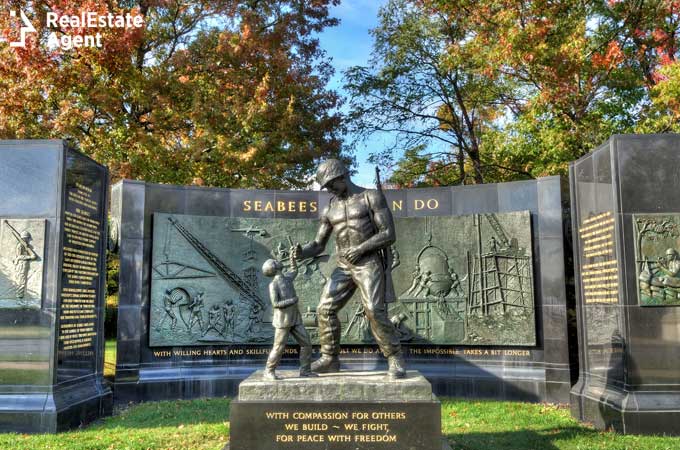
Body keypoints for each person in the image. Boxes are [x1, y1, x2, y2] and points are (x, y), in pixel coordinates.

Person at [293, 159, 406, 379]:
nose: (330, 189)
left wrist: (362, 248)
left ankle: (394, 357)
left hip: (368, 262)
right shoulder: (330, 208)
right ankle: (329, 359)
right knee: (324, 309)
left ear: (342, 176)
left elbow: (388, 234)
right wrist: (302, 252)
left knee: (373, 310)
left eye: (331, 184)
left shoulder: (370, 197)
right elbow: (318, 244)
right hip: (344, 265)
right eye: (326, 186)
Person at [262, 251, 314, 380]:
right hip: (283, 320)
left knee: (306, 343)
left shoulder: (287, 278)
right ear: (274, 268)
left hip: (295, 318)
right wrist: (292, 300)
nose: (278, 260)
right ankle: (269, 371)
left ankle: (305, 371)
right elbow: (276, 303)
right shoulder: (273, 284)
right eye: (275, 261)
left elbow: (294, 270)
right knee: (279, 347)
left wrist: (292, 258)